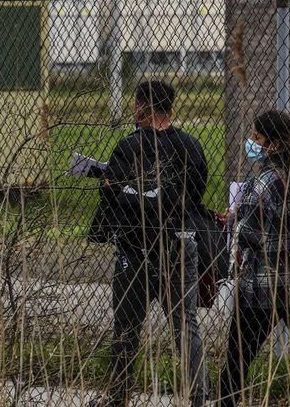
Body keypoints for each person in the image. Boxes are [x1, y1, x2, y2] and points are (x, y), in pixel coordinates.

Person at [87, 80, 210, 407]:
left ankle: (118, 395)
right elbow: (194, 196)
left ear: (143, 106)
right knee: (186, 326)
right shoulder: (192, 146)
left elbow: (115, 197)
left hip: (135, 249)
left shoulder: (129, 147)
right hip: (179, 244)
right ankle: (197, 396)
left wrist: (111, 187)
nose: (132, 108)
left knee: (126, 327)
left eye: (135, 102)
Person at [219, 110, 290, 407]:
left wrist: (234, 222)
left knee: (237, 360)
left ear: (273, 144)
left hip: (261, 287)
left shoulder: (264, 183)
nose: (251, 141)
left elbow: (250, 235)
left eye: (256, 137)